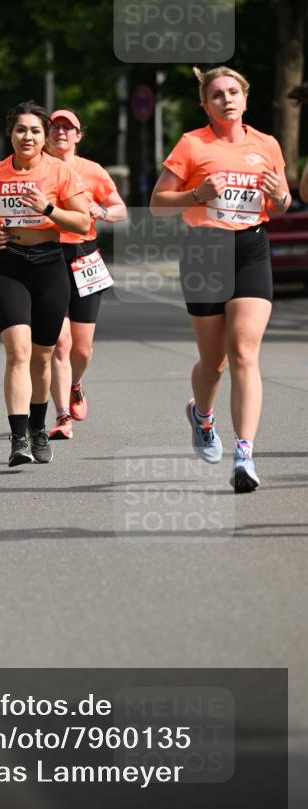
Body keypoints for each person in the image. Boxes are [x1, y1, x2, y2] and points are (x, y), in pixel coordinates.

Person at [150, 66, 290, 493]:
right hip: (204, 251)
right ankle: (202, 416)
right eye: (217, 94)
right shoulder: (192, 144)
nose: (226, 99)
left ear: (245, 98)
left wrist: (279, 196)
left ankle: (244, 454)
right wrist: (197, 194)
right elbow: (157, 203)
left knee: (244, 351)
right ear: (205, 105)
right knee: (214, 363)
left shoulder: (266, 144)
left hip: (250, 247)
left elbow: (282, 202)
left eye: (233, 92)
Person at [0, 100, 90, 467]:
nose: (28, 136)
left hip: (50, 266)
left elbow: (83, 222)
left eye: (36, 130)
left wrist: (48, 209)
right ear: (11, 134)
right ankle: (18, 437)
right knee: (18, 351)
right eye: (21, 129)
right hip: (9, 265)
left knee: (42, 356)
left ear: (45, 136)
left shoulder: (59, 172)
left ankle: (38, 427)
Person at [46, 109, 127, 440]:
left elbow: (120, 209)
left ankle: (75, 384)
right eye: (55, 127)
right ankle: (62, 415)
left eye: (68, 128)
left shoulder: (92, 171)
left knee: (81, 350)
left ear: (78, 136)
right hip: (47, 255)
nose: (61, 132)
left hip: (84, 256)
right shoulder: (38, 168)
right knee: (60, 343)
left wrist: (102, 211)